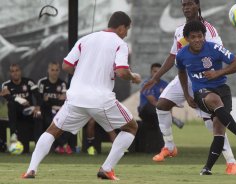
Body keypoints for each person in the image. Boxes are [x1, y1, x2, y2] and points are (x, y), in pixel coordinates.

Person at [22, 11, 141, 180]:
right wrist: (133, 77)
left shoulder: (85, 39)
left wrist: (85, 71)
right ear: (121, 27)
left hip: (76, 98)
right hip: (101, 100)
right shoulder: (120, 44)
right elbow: (122, 71)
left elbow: (66, 65)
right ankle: (107, 168)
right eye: (127, 29)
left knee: (53, 130)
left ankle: (31, 170)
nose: (126, 33)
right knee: (131, 127)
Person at [142, 0, 236, 175]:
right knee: (161, 105)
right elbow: (173, 57)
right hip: (186, 76)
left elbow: (218, 53)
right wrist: (156, 78)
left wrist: (213, 79)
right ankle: (170, 147)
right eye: (183, 5)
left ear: (198, 6)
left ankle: (232, 162)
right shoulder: (180, 31)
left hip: (204, 81)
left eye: (190, 4)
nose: (186, 7)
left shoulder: (208, 30)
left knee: (212, 124)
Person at [176, 20, 236, 175]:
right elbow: (181, 73)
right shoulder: (181, 55)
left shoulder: (215, 48)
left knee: (219, 128)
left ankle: (207, 168)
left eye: (200, 36)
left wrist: (218, 73)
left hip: (222, 89)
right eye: (193, 37)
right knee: (214, 100)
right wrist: (186, 94)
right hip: (202, 92)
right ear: (187, 39)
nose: (197, 40)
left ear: (204, 36)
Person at [1, 64, 42, 153]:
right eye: (12, 71)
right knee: (11, 104)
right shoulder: (6, 85)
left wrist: (37, 107)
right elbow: (6, 96)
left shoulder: (28, 82)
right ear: (10, 73)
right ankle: (13, 135)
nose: (15, 73)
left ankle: (39, 146)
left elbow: (38, 96)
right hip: (16, 115)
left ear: (20, 71)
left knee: (38, 114)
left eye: (17, 70)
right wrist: (19, 99)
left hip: (29, 112)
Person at [37, 62, 74, 154]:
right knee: (49, 120)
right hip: (47, 111)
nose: (54, 72)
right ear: (48, 70)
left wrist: (49, 100)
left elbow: (63, 101)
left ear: (59, 71)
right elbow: (40, 101)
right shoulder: (42, 83)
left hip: (60, 110)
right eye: (52, 70)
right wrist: (55, 100)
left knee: (69, 121)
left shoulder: (63, 84)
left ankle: (59, 146)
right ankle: (64, 144)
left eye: (56, 70)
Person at [138, 63, 184, 129]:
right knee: (152, 107)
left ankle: (168, 124)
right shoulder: (147, 84)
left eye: (158, 72)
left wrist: (169, 113)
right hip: (145, 110)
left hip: (159, 111)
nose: (156, 74)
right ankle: (171, 119)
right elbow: (152, 101)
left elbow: (169, 101)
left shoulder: (165, 84)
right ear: (151, 72)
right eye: (154, 71)